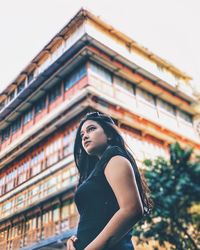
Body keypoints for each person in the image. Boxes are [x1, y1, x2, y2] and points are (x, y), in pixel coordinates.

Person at [66, 111, 153, 250]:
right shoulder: (96, 171)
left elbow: (132, 209)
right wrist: (75, 239)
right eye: (82, 135)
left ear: (109, 135)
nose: (85, 136)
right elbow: (95, 216)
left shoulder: (115, 159)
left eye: (91, 129)